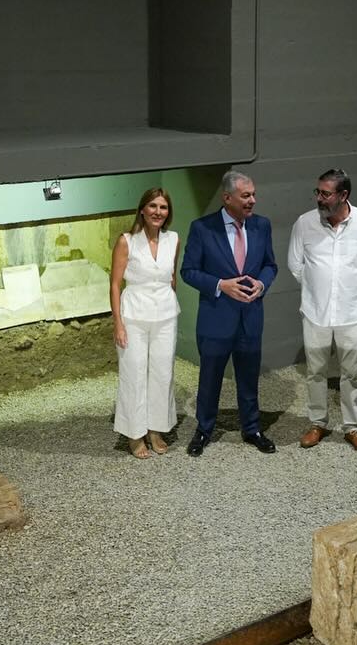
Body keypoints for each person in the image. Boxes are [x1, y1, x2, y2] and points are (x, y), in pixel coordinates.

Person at [180, 170, 278, 456]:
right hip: (215, 320)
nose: (253, 201)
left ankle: (252, 428)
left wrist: (262, 283)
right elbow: (188, 271)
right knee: (209, 378)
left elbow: (270, 265)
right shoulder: (202, 228)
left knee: (248, 378)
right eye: (246, 196)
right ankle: (204, 429)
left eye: (253, 195)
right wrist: (220, 285)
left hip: (250, 318)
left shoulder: (262, 226)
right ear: (227, 198)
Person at [287, 168, 357, 454]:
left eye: (325, 193)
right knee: (315, 371)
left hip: (352, 313)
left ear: (344, 195)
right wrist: (318, 289)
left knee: (352, 374)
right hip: (315, 313)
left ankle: (352, 428)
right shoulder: (304, 224)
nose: (319, 198)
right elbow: (296, 264)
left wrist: (350, 290)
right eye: (317, 192)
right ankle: (318, 423)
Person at [110, 188, 181, 459]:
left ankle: (156, 429)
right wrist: (118, 323)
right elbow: (115, 285)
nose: (157, 212)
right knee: (134, 374)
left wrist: (169, 303)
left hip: (165, 315)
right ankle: (134, 433)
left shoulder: (173, 239)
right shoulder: (127, 241)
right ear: (142, 209)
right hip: (133, 316)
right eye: (152, 206)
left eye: (163, 207)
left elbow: (171, 276)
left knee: (162, 373)